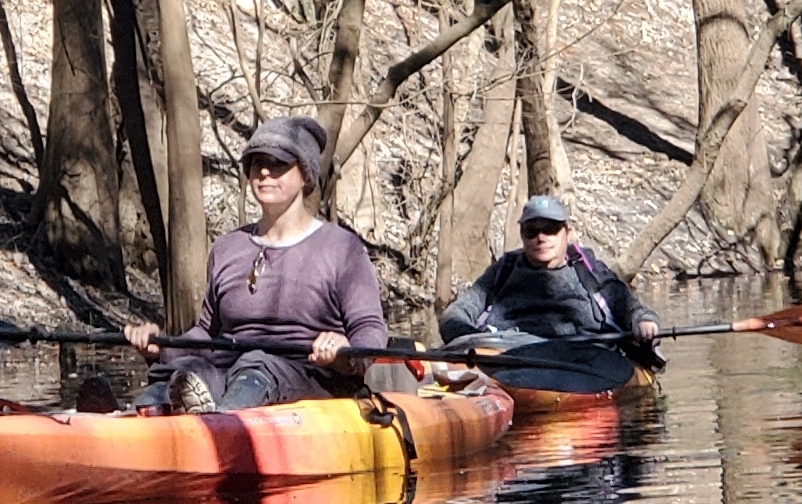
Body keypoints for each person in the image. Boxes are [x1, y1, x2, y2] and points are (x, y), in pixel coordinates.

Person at [121, 114, 389, 411]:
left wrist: (344, 352)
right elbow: (207, 333)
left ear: (305, 175)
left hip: (311, 379)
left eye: (278, 164)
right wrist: (162, 347)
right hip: (229, 370)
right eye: (256, 163)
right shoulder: (228, 247)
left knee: (255, 367)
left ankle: (219, 427)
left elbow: (370, 330)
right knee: (184, 373)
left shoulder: (343, 248)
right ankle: (127, 419)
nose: (264, 172)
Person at [439, 195, 664, 349]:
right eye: (532, 230)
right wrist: (472, 340)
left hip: (583, 358)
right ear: (522, 234)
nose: (541, 237)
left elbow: (631, 309)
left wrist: (644, 323)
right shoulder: (503, 270)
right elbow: (455, 314)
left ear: (567, 232)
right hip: (507, 357)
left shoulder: (588, 268)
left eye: (550, 229)